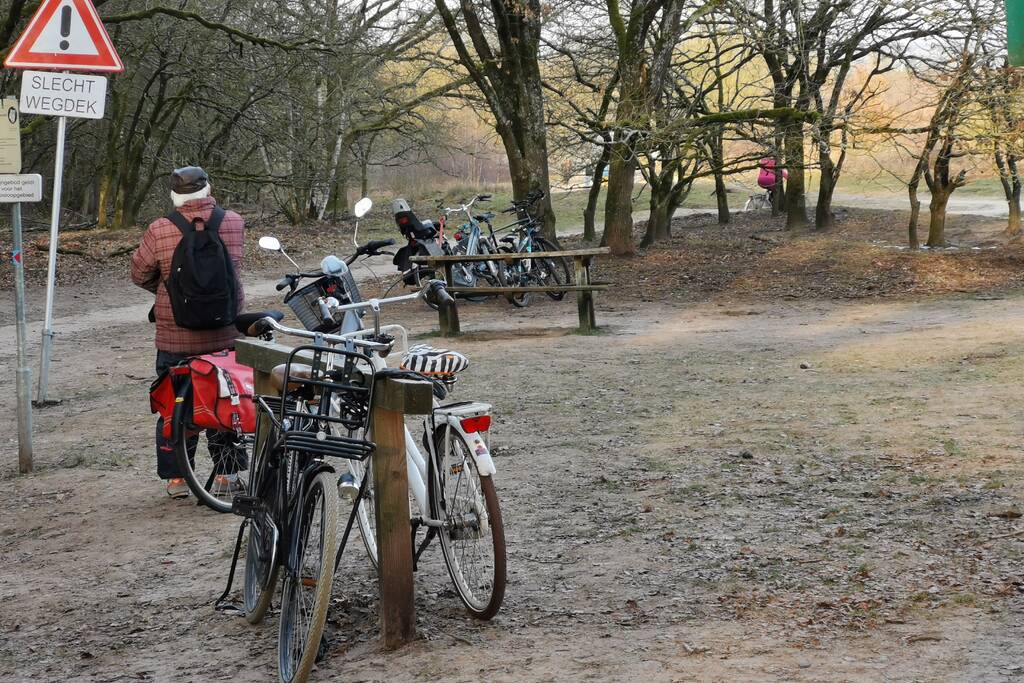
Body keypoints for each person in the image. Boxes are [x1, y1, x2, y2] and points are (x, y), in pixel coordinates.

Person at [130, 166, 247, 499]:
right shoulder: (234, 222)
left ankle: (178, 478)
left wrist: (170, 290)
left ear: (174, 194)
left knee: (174, 403)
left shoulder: (160, 229)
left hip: (175, 336)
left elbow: (139, 273)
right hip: (226, 335)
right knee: (227, 399)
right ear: (208, 189)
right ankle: (228, 473)